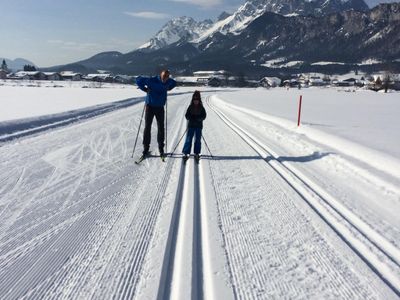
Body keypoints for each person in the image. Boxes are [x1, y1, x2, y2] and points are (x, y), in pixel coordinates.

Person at [136, 70, 176, 157]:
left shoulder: (169, 81)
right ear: (161, 76)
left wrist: (169, 88)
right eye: (164, 77)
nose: (165, 79)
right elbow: (138, 80)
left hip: (160, 107)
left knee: (161, 127)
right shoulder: (152, 80)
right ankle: (146, 148)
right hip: (150, 107)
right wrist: (145, 89)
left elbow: (174, 83)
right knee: (147, 127)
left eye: (167, 77)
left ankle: (161, 148)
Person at [182, 90, 207, 161]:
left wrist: (198, 118)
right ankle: (186, 152)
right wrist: (190, 117)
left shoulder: (201, 108)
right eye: (194, 100)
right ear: (193, 100)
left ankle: (197, 153)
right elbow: (186, 115)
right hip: (191, 126)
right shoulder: (190, 107)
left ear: (199, 100)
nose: (196, 101)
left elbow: (204, 116)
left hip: (198, 126)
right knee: (188, 139)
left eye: (197, 100)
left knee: (198, 140)